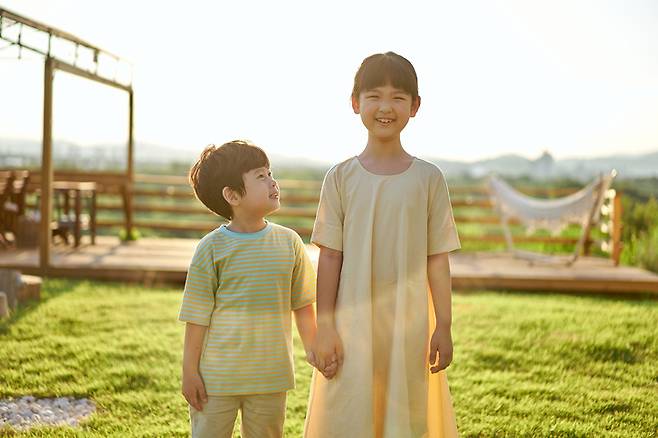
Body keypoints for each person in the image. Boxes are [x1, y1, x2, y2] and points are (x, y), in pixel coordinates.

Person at [304, 52, 461, 437]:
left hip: (409, 322)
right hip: (350, 319)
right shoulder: (339, 178)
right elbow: (329, 258)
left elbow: (437, 261)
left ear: (415, 106)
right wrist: (324, 326)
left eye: (398, 97)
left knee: (404, 413)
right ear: (355, 102)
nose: (385, 107)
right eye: (374, 95)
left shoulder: (429, 179)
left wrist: (444, 325)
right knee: (347, 407)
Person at [179, 140, 326, 438]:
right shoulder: (211, 249)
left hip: (271, 378)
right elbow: (197, 318)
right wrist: (190, 372)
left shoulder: (289, 242)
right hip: (217, 380)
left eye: (270, 173)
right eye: (261, 176)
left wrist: (314, 349)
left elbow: (303, 305)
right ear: (232, 195)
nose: (273, 182)